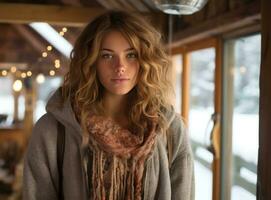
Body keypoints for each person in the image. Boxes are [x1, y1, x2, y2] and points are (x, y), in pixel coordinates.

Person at [23, 11, 194, 200]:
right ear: (91, 61)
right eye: (107, 56)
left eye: (131, 55)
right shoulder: (52, 131)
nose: (120, 66)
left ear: (145, 59)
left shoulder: (170, 130)